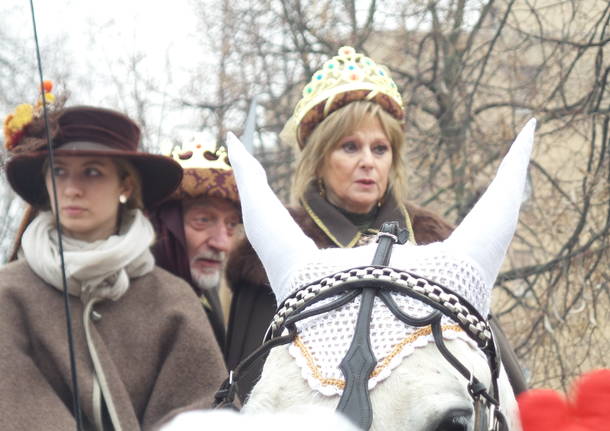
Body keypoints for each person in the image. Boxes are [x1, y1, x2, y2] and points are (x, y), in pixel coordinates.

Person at [224, 46, 526, 401]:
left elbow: (496, 369)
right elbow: (253, 391)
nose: (368, 161)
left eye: (380, 149)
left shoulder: (435, 242)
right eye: (350, 147)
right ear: (319, 158)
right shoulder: (270, 259)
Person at [0, 99, 226, 429]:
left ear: (125, 185)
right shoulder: (9, 293)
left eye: (92, 172)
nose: (72, 189)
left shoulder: (172, 299)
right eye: (59, 171)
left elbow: (204, 408)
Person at [151, 135, 241, 349]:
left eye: (231, 225)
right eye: (203, 220)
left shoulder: (207, 295)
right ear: (163, 225)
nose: (222, 244)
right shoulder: (132, 301)